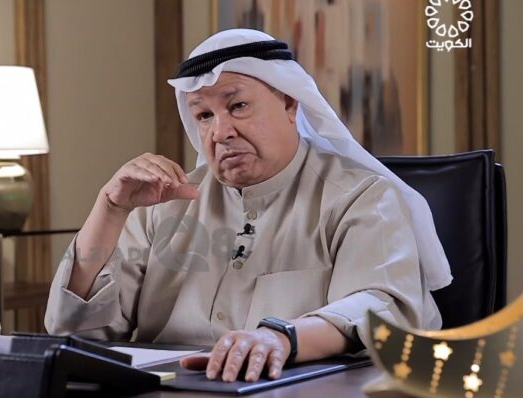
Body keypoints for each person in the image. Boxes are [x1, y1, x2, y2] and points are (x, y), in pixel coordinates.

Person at [45, 29, 452, 383]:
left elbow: (378, 307)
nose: (220, 132)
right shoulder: (163, 203)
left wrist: (281, 338)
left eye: (237, 106)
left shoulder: (361, 196)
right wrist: (110, 208)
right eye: (204, 115)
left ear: (289, 104)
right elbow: (74, 333)